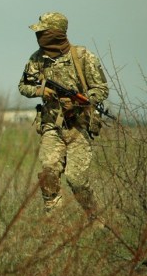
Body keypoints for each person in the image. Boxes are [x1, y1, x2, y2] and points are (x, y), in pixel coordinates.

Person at [18, 11, 109, 224]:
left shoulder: (83, 57)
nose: (39, 36)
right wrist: (42, 92)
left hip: (79, 126)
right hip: (52, 125)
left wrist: (80, 100)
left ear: (55, 33)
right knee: (48, 173)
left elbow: (101, 89)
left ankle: (95, 219)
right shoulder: (37, 59)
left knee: (76, 179)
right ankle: (54, 222)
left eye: (43, 32)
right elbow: (23, 86)